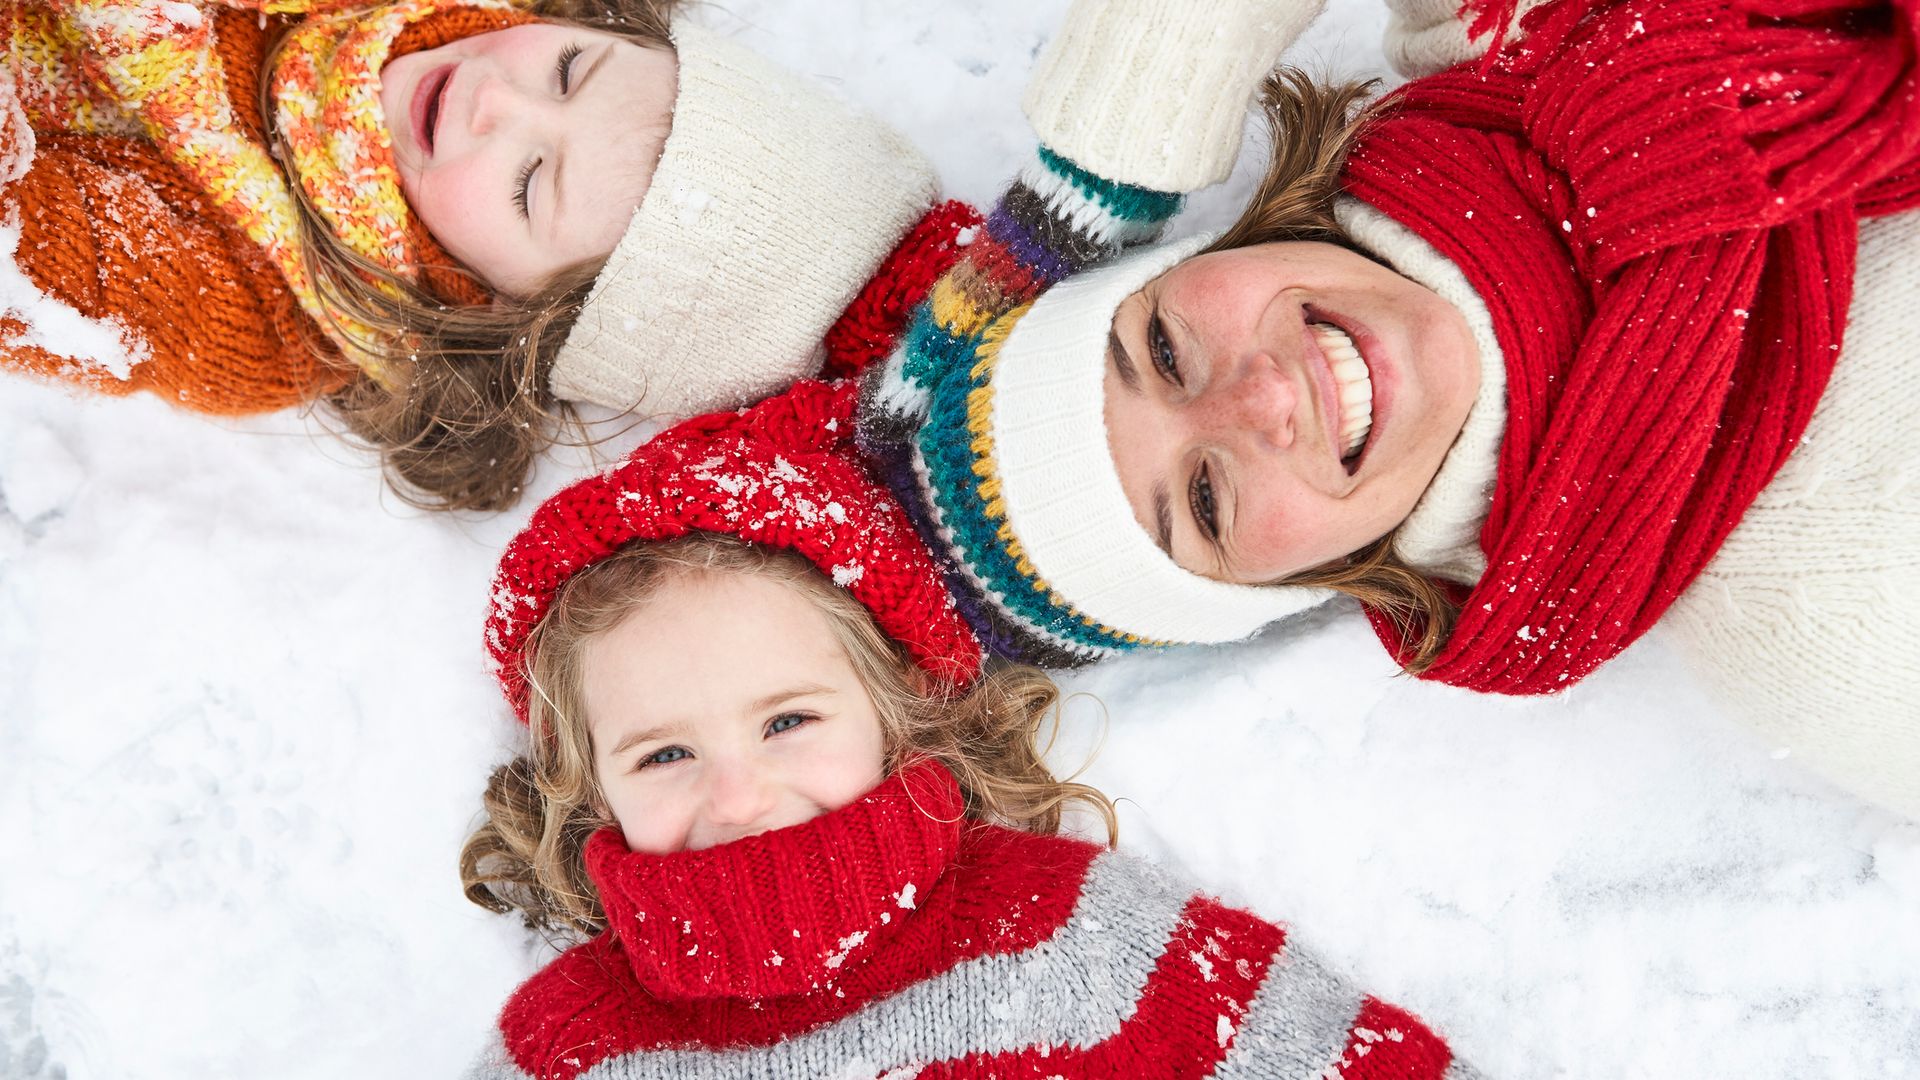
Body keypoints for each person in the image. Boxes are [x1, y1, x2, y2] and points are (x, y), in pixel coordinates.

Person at [856, 0, 1920, 817]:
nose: (1263, 396)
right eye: (1208, 501)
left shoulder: (1482, 34)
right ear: (1304, 584)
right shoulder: (1818, 618)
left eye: (1166, 347)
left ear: (1195, 255)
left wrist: (1112, 146)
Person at [458, 377, 1480, 1079]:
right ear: (589, 784)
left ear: (896, 710)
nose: (740, 796)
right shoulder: (570, 1047)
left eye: (788, 721)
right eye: (666, 753)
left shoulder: (1064, 931)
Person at [0, 0, 976, 508]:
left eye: (528, 183)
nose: (495, 102)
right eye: (567, 70)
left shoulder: (253, 313)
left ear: (499, 314)